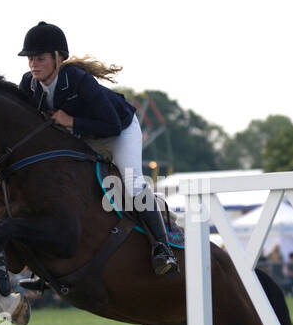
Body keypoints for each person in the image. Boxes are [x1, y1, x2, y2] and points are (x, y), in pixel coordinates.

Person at [17, 21, 178, 276]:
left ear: (59, 59)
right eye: (30, 58)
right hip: (83, 137)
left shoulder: (80, 81)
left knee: (132, 183)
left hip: (119, 131)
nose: (33, 64)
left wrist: (70, 121)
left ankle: (162, 247)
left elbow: (111, 126)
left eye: (40, 58)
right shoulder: (29, 85)